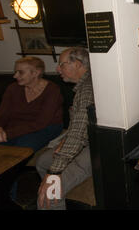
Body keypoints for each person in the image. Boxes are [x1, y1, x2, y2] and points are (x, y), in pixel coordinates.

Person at [36, 47, 95, 210]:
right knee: (42, 162)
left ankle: (54, 196)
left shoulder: (87, 90)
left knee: (50, 194)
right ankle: (63, 194)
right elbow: (78, 128)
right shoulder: (85, 85)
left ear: (77, 64)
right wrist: (64, 141)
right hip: (86, 140)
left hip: (98, 147)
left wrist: (54, 173)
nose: (57, 69)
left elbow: (78, 135)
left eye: (61, 64)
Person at [0, 57, 63, 152]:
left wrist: (6, 134)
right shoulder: (12, 88)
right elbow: (2, 115)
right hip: (16, 127)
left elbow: (40, 123)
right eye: (15, 72)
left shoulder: (52, 90)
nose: (15, 76)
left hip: (45, 128)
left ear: (35, 73)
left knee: (20, 150)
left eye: (20, 72)